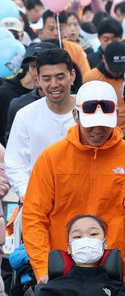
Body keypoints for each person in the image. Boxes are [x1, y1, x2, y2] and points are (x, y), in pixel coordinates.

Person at [22, 80, 125, 286]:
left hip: (114, 268)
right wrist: (43, 268)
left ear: (116, 116)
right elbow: (34, 216)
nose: (97, 130)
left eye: (104, 124)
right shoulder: (52, 158)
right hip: (61, 268)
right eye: (91, 124)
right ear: (76, 115)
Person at [5, 46, 76, 200]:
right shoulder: (25, 115)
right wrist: (27, 193)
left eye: (60, 77)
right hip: (38, 201)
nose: (54, 84)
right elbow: (14, 161)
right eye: (47, 78)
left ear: (72, 76)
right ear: (38, 79)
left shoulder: (88, 110)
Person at [84, 40, 125, 130]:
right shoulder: (91, 78)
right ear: (104, 59)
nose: (118, 72)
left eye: (121, 67)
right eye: (113, 68)